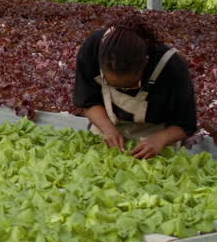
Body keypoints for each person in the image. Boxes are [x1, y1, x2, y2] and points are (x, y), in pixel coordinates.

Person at [72, 16, 198, 160]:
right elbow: (87, 101)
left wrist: (160, 140)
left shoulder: (169, 66)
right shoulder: (93, 48)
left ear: (145, 64)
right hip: (106, 125)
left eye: (130, 86)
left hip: (155, 136)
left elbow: (186, 124)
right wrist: (108, 130)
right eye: (111, 84)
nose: (123, 91)